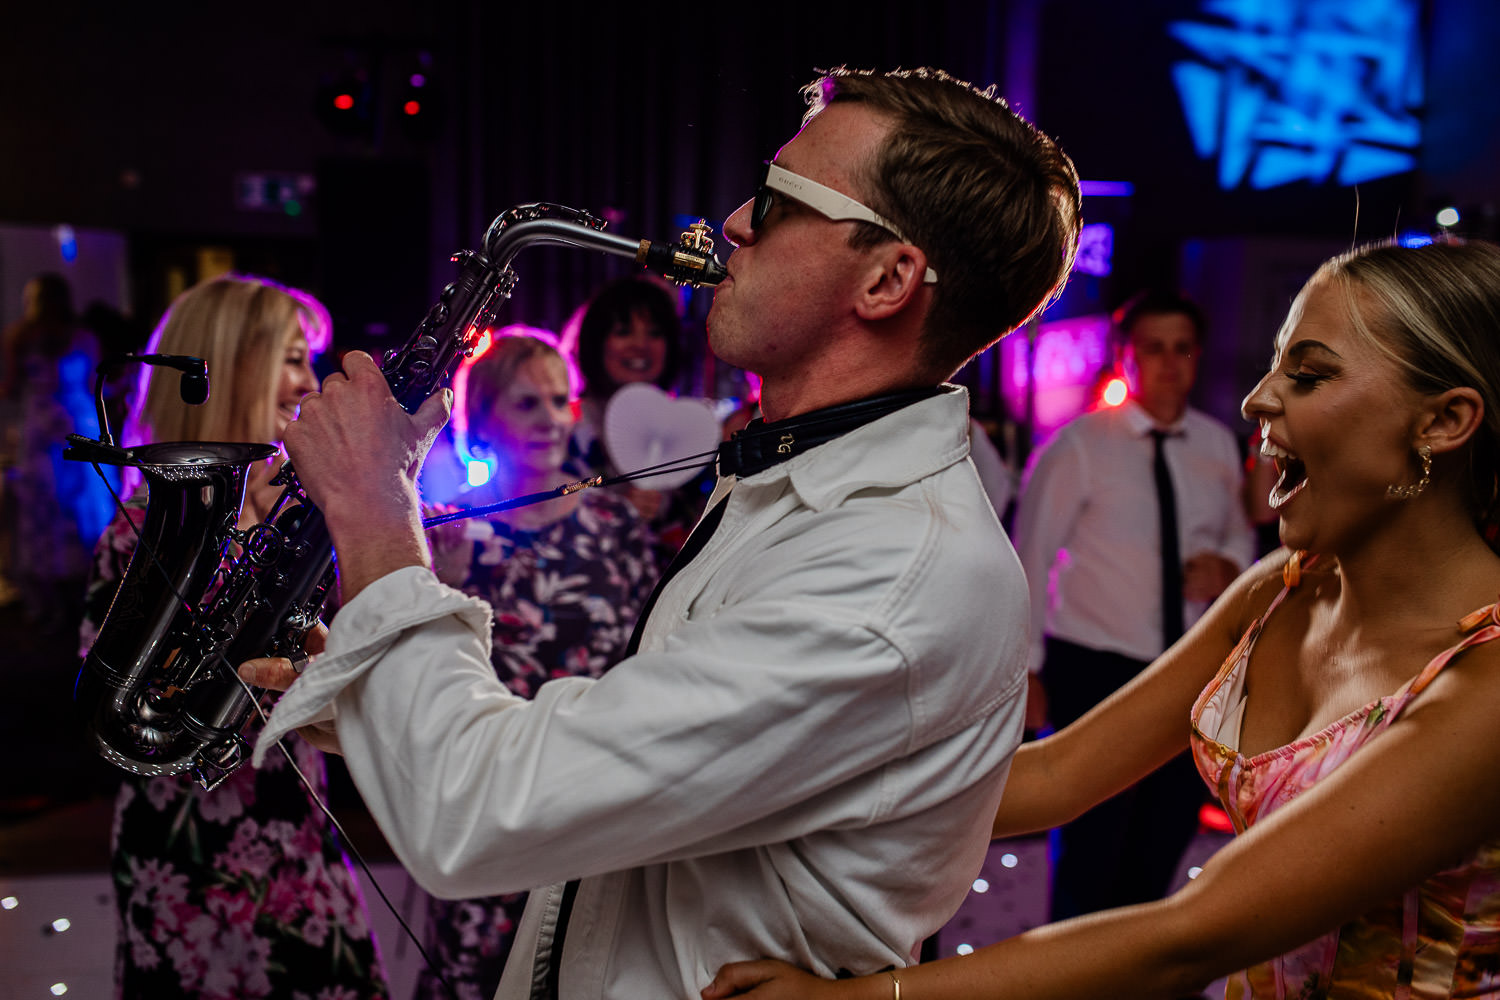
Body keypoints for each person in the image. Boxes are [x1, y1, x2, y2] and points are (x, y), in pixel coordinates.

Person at [243, 65, 1081, 1000]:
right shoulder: (808, 489)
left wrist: (376, 511)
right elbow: (636, 759)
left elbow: (476, 818)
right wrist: (379, 696)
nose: (733, 222)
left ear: (887, 279)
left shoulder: (892, 573)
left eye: (777, 198)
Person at [701, 237, 1500, 1000]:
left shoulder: (1487, 680)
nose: (1258, 397)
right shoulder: (1280, 592)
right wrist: (777, 788)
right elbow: (1055, 776)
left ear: (1442, 421)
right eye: (1272, 366)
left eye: (1311, 374)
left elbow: (1185, 938)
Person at [79, 274, 391, 1000]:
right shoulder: (144, 531)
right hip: (182, 864)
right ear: (219, 365)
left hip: (299, 846)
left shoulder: (308, 520)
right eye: (289, 357)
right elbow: (118, 716)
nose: (307, 382)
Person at [416, 329, 659, 1000]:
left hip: (595, 805)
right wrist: (449, 583)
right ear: (483, 419)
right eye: (527, 405)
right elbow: (427, 680)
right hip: (491, 809)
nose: (551, 420)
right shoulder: (448, 532)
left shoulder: (615, 523)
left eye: (560, 401)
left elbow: (654, 655)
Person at [1010, 289, 1255, 920]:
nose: (1170, 362)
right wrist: (1027, 672)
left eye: (1183, 348)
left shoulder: (1216, 444)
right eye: (1154, 348)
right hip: (1095, 664)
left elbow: (1236, 532)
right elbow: (1028, 559)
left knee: (1162, 840)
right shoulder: (1080, 445)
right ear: (1124, 356)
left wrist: (1228, 564)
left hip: (1187, 670)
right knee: (1090, 849)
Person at [566, 275, 709, 554]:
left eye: (655, 333)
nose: (640, 345)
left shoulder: (688, 428)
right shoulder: (567, 426)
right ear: (597, 342)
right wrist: (617, 510)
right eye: (623, 331)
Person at [1, 273, 113, 628]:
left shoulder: (73, 336)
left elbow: (10, 387)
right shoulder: (23, 337)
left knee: (74, 509)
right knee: (51, 510)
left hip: (70, 426)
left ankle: (80, 598)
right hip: (53, 429)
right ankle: (63, 601)